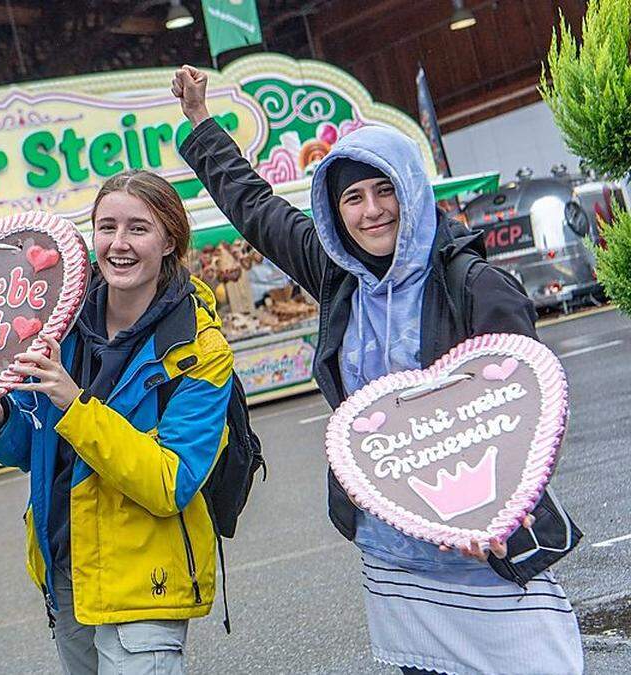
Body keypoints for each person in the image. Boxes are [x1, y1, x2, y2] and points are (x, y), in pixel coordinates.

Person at [171, 65, 584, 674]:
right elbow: (254, 206)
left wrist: (502, 511)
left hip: (483, 544)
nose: (371, 212)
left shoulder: (474, 286)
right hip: (394, 550)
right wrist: (202, 121)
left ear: (411, 189)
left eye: (383, 190)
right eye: (353, 198)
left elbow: (529, 408)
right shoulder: (340, 277)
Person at [0, 170, 236, 674]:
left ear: (169, 239)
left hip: (143, 579)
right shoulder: (60, 326)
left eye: (138, 228)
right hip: (67, 567)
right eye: (106, 227)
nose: (119, 244)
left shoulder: (200, 350)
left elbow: (168, 481)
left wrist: (75, 405)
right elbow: (36, 449)